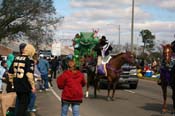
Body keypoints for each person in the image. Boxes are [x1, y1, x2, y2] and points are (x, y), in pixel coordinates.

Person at [8, 43, 36, 116]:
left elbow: (10, 72)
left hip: (17, 84)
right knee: (24, 105)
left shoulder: (16, 58)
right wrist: (32, 86)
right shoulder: (29, 60)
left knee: (19, 102)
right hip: (25, 85)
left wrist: (12, 82)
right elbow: (29, 75)